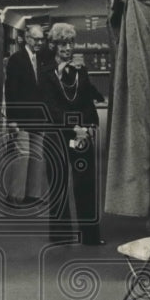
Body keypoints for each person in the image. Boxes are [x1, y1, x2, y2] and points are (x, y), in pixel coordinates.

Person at [41, 22, 106, 246]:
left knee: (85, 184)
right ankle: (61, 235)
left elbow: (86, 99)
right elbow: (51, 107)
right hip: (56, 135)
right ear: (53, 46)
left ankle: (90, 236)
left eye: (70, 43)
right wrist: (74, 128)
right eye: (61, 44)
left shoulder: (81, 69)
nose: (67, 48)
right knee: (58, 185)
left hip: (80, 136)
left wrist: (89, 126)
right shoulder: (45, 72)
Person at [3, 23, 51, 205]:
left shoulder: (43, 59)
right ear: (27, 38)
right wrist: (12, 120)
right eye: (36, 39)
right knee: (22, 156)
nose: (39, 42)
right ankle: (15, 195)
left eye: (41, 39)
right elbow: (11, 91)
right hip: (22, 118)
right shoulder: (16, 59)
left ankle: (33, 195)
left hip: (39, 118)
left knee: (37, 156)